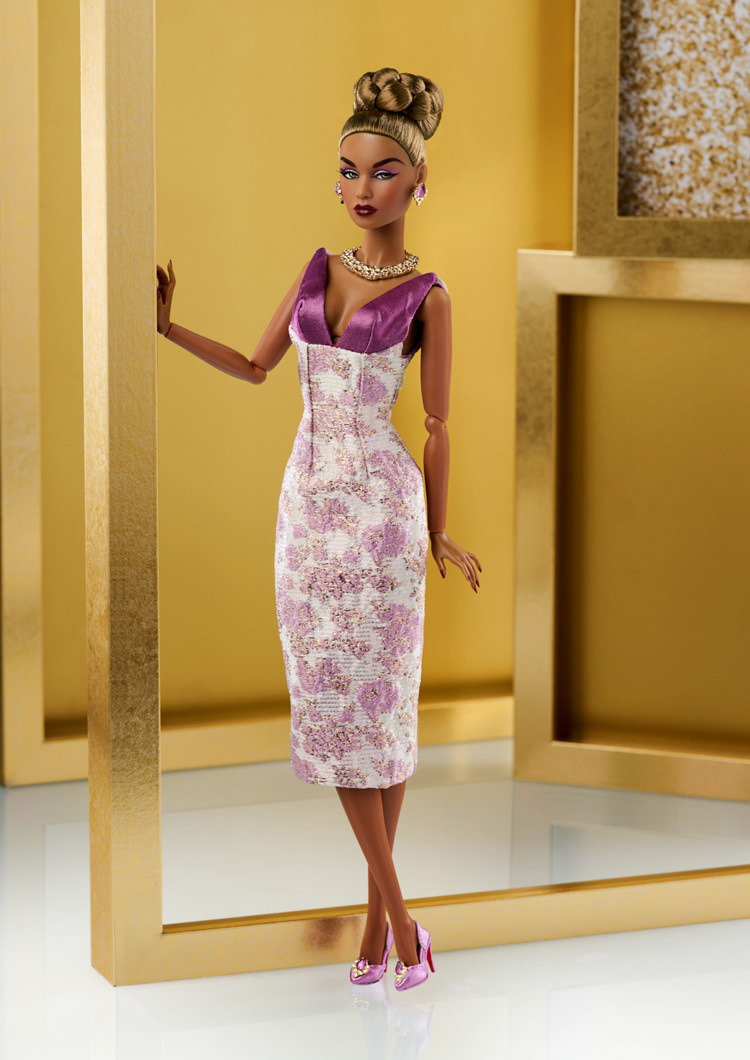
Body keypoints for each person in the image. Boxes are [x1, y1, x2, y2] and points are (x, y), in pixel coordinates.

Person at [156, 67, 481, 991]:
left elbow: (438, 425)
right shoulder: (314, 271)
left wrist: (440, 531)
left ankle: (386, 929)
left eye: (383, 171)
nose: (361, 188)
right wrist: (169, 330)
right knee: (335, 705)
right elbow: (258, 367)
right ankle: (399, 921)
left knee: (381, 711)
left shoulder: (430, 296)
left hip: (383, 520)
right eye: (348, 170)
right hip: (306, 511)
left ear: (419, 181)